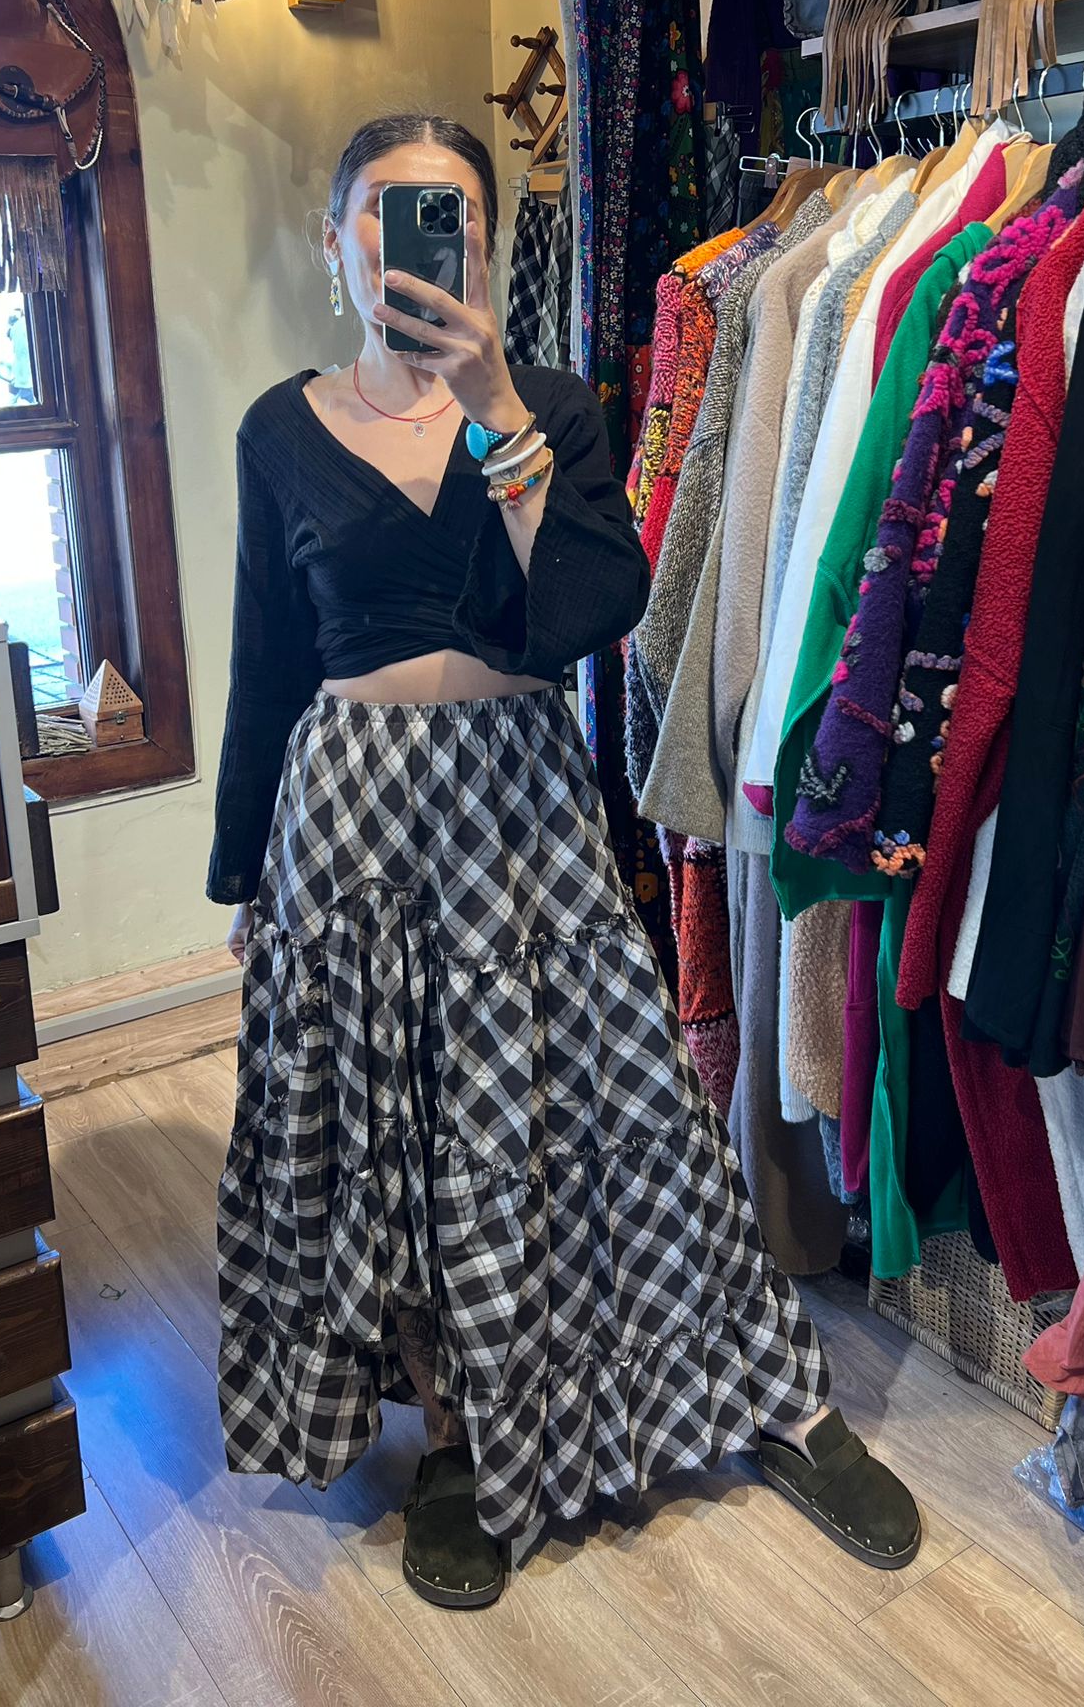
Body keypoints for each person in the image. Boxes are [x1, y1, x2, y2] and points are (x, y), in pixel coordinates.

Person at [207, 113, 920, 1609]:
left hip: (519, 811)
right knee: (406, 1142)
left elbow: (601, 607)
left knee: (632, 1107)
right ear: (337, 241)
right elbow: (266, 662)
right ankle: (460, 1442)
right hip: (348, 824)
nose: (419, 241)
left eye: (452, 216)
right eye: (386, 211)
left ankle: (778, 1399)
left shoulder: (552, 405)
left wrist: (496, 420)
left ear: (484, 243)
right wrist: (244, 878)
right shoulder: (278, 431)